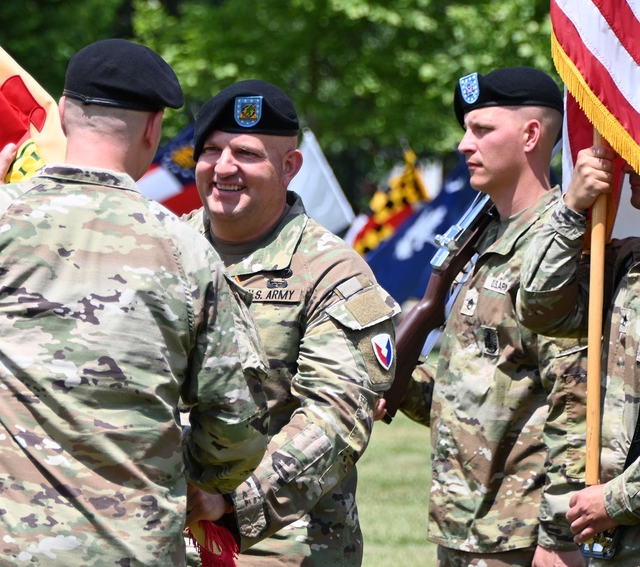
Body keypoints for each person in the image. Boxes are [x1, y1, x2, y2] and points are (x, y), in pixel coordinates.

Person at [0, 39, 270, 565]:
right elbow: (236, 419)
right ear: (153, 129)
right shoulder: (187, 249)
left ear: (62, 113)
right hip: (127, 546)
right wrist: (194, 477)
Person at [182, 79, 401, 566]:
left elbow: (336, 417)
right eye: (211, 150)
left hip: (281, 543)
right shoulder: (162, 248)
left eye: (246, 153)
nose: (224, 168)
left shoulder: (334, 272)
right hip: (158, 533)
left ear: (290, 166)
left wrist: (232, 505)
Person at [392, 67, 587, 567]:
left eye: (482, 129)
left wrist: (560, 537)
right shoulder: (483, 240)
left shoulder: (559, 250)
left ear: (530, 135)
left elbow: (577, 402)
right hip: (465, 526)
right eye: (466, 129)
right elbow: (481, 385)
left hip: (519, 537)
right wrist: (393, 382)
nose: (463, 144)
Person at [517, 144, 640, 565]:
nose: (630, 155)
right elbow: (539, 307)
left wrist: (616, 500)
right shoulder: (628, 262)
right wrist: (571, 208)